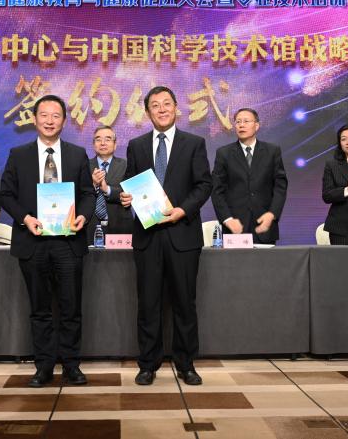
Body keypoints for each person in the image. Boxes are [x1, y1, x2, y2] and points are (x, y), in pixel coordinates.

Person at [0, 94, 95, 387]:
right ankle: (43, 367)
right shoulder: (19, 154)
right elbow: (6, 194)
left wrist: (84, 216)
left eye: (56, 116)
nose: (49, 121)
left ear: (64, 121)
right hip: (33, 241)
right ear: (34, 119)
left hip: (68, 242)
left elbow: (88, 194)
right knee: (40, 309)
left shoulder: (77, 154)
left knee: (70, 308)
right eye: (44, 115)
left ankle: (71, 365)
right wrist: (25, 218)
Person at [120, 86, 212, 386]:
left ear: (176, 108)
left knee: (185, 303)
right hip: (147, 236)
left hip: (182, 234)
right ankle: (148, 364)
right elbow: (130, 183)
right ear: (147, 112)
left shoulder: (194, 143)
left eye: (167, 104)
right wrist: (126, 197)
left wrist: (182, 210)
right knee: (148, 304)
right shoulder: (136, 145)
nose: (161, 109)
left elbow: (203, 185)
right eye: (155, 105)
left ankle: (186, 364)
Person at [211, 108, 288, 244]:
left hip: (264, 225)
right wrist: (227, 219)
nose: (241, 125)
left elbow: (280, 187)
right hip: (235, 227)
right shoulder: (224, 153)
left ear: (256, 125)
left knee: (266, 259)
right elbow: (216, 190)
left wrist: (272, 214)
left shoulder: (272, 151)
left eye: (246, 121)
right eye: (238, 122)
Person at [86, 125, 133, 243]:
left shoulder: (127, 165)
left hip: (120, 225)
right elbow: (78, 194)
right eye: (98, 139)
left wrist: (107, 189)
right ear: (93, 145)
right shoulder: (84, 166)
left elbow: (131, 192)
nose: (103, 143)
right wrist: (93, 184)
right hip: (90, 225)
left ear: (115, 144)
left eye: (107, 139)